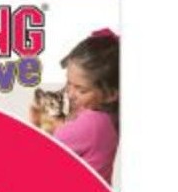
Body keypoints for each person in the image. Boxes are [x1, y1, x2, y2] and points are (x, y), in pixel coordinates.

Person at [32, 29, 119, 183]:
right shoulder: (110, 116)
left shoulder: (90, 124)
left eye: (81, 90)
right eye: (69, 82)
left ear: (111, 94)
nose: (70, 94)